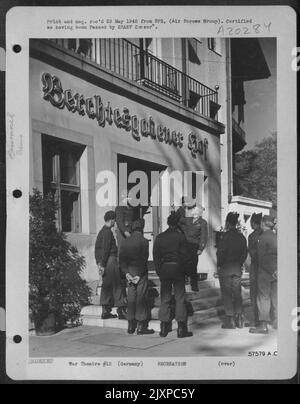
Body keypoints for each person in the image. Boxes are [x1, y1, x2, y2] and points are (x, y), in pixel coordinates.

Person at [153, 211, 193, 339]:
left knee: (165, 297)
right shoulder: (180, 237)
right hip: (177, 269)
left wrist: (160, 271)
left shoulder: (159, 237)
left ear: (168, 223)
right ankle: (181, 329)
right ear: (177, 224)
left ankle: (164, 328)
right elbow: (185, 257)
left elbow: (156, 257)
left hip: (165, 269)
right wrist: (187, 272)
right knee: (180, 298)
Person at [119, 219, 154, 335]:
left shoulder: (125, 241)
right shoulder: (144, 241)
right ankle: (140, 326)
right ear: (142, 229)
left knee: (131, 297)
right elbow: (143, 259)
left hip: (129, 271)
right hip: (140, 272)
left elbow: (122, 259)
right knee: (141, 298)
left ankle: (130, 326)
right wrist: (139, 275)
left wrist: (126, 274)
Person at [216, 212, 248, 329]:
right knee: (237, 293)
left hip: (226, 268)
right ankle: (239, 317)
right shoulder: (241, 237)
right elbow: (245, 253)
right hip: (236, 268)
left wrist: (219, 265)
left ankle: (229, 320)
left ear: (228, 223)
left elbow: (220, 253)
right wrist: (239, 263)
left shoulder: (224, 237)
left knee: (227, 294)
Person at [95, 211, 127, 320]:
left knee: (106, 286)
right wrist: (103, 264)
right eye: (115, 220)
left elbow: (97, 250)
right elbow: (106, 249)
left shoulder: (101, 232)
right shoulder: (108, 232)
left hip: (104, 262)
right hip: (110, 261)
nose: (115, 222)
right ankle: (121, 310)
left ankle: (105, 311)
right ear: (112, 219)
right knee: (117, 285)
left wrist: (99, 264)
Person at [250, 215, 277, 334]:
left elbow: (261, 258)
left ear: (263, 224)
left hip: (265, 273)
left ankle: (263, 325)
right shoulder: (276, 237)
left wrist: (272, 270)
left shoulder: (262, 238)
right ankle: (277, 322)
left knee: (263, 298)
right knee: (276, 297)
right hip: (277, 272)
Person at [179, 201, 208, 292]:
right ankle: (183, 282)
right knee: (183, 263)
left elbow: (204, 236)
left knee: (193, 266)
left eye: (196, 210)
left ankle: (194, 285)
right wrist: (182, 207)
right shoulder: (188, 219)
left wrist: (201, 248)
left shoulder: (203, 222)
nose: (194, 211)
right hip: (185, 245)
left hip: (194, 246)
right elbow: (178, 219)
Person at [246, 213, 263, 327]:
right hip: (266, 268)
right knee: (264, 294)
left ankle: (256, 319)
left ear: (253, 223)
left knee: (254, 294)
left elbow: (252, 253)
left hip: (256, 268)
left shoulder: (252, 236)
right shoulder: (265, 234)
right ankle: (265, 319)